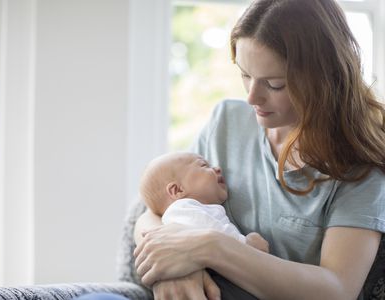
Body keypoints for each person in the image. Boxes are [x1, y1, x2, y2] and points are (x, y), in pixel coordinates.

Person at [133, 0, 385, 299]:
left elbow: (337, 289)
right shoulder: (226, 122)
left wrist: (211, 247)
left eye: (275, 84)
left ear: (323, 79)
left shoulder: (360, 166)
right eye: (244, 75)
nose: (252, 97)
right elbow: (152, 213)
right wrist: (178, 271)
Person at [139, 151, 269, 248]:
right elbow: (213, 235)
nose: (218, 168)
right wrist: (246, 245)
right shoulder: (183, 210)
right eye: (204, 165)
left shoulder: (189, 210)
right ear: (177, 190)